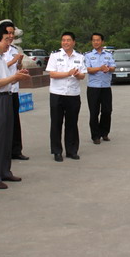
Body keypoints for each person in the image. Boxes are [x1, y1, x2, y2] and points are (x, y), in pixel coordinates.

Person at [0, 27, 30, 189]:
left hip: (6, 97)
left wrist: (18, 77)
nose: (9, 43)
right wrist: (14, 77)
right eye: (6, 40)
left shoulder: (1, 59)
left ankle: (4, 171)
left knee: (7, 137)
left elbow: (6, 80)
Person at [46, 31, 87, 162]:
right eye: (63, 40)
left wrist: (77, 75)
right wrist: (68, 73)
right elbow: (52, 74)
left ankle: (72, 150)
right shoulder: (55, 55)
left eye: (68, 40)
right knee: (56, 123)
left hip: (73, 95)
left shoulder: (80, 57)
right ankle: (57, 151)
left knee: (72, 123)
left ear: (73, 42)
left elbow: (83, 75)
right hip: (57, 94)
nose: (65, 42)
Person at [0, 21, 29, 160]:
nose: (11, 36)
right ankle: (4, 151)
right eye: (8, 33)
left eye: (12, 33)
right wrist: (13, 61)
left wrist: (19, 63)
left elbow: (16, 67)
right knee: (3, 122)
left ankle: (16, 150)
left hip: (14, 90)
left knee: (15, 121)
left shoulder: (14, 50)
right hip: (2, 91)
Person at [85, 33, 116, 144]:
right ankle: (95, 136)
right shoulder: (88, 55)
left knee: (107, 111)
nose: (96, 42)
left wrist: (108, 69)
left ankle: (104, 133)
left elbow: (113, 67)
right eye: (94, 40)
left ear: (102, 42)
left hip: (106, 87)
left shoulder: (108, 55)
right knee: (94, 112)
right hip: (93, 88)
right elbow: (88, 69)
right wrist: (100, 68)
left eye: (98, 40)